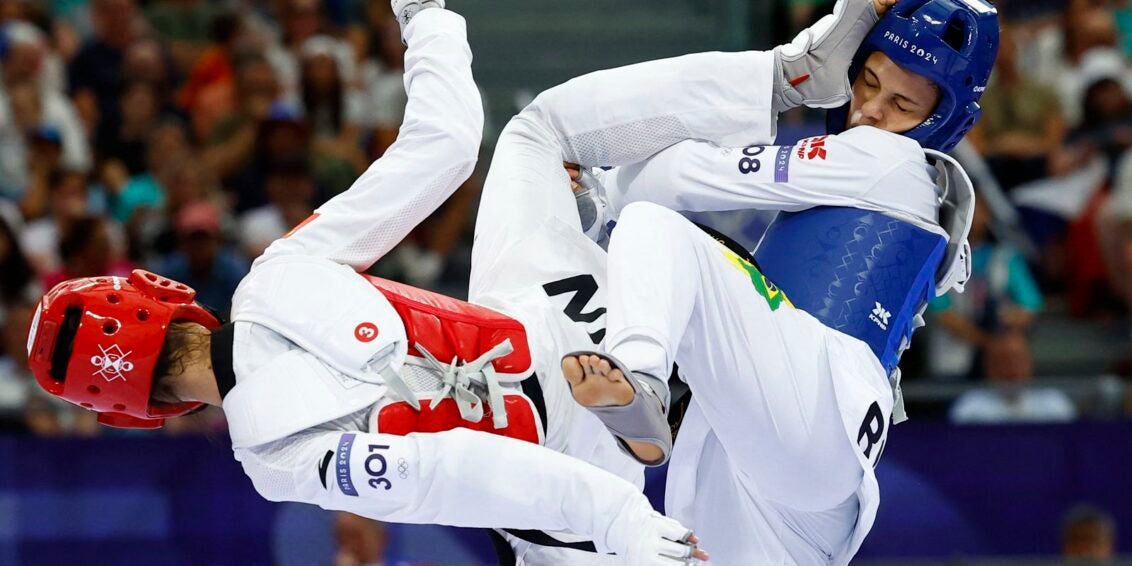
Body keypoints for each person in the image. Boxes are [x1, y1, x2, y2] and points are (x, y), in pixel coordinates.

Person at [25, 3, 703, 565]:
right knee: (539, 134)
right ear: (162, 296)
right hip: (576, 321)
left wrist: (621, 523)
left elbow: (451, 471)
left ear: (131, 409)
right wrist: (423, 14)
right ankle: (774, 93)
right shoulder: (279, 272)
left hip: (581, 507)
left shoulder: (272, 457)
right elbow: (445, 142)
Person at [490, 0, 993, 563]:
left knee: (655, 229)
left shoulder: (888, 161)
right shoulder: (909, 198)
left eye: (901, 103)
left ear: (945, 119)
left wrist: (603, 192)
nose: (870, 111)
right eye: (868, 82)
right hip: (796, 485)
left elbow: (678, 180)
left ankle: (644, 385)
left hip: (819, 408)